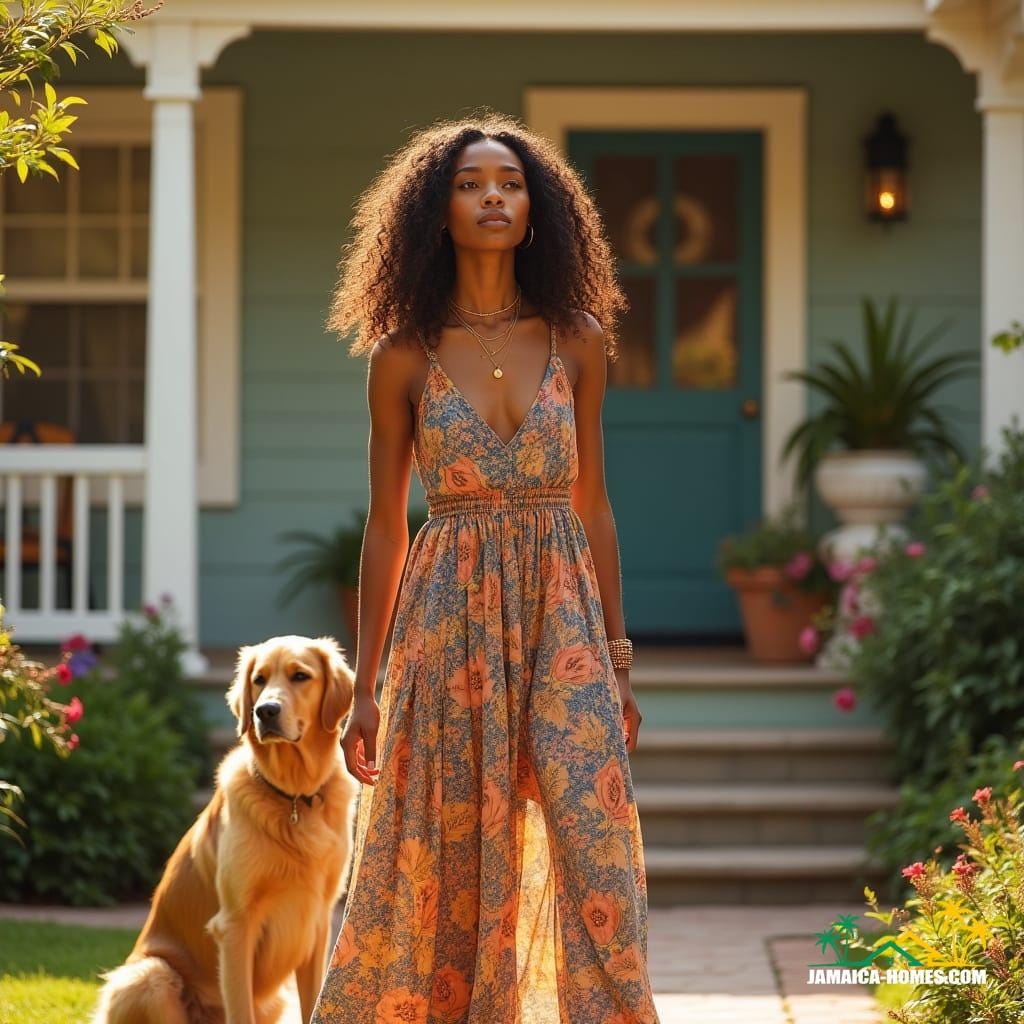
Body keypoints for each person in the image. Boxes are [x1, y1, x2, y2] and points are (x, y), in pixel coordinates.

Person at [311, 109, 661, 1024]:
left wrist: (617, 659)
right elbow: (387, 527)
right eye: (469, 183)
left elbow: (594, 504)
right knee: (454, 855)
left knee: (597, 845)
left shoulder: (579, 338)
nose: (493, 195)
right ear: (437, 211)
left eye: (509, 181)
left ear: (536, 209)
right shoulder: (401, 356)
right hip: (449, 621)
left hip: (562, 623)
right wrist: (368, 685)